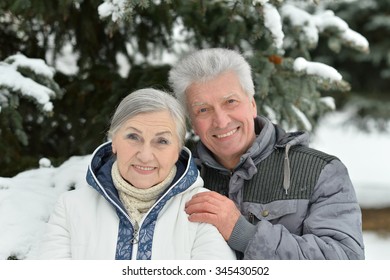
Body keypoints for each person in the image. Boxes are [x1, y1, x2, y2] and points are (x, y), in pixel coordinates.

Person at [168, 48, 365, 260]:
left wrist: (244, 234)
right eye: (203, 110)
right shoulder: (177, 177)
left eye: (230, 102)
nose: (221, 121)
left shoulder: (320, 171)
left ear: (252, 104)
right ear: (192, 123)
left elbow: (346, 261)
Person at [38, 88, 236, 260]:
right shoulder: (72, 207)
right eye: (133, 137)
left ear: (177, 151)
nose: (145, 155)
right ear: (113, 141)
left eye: (162, 141)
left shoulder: (202, 208)